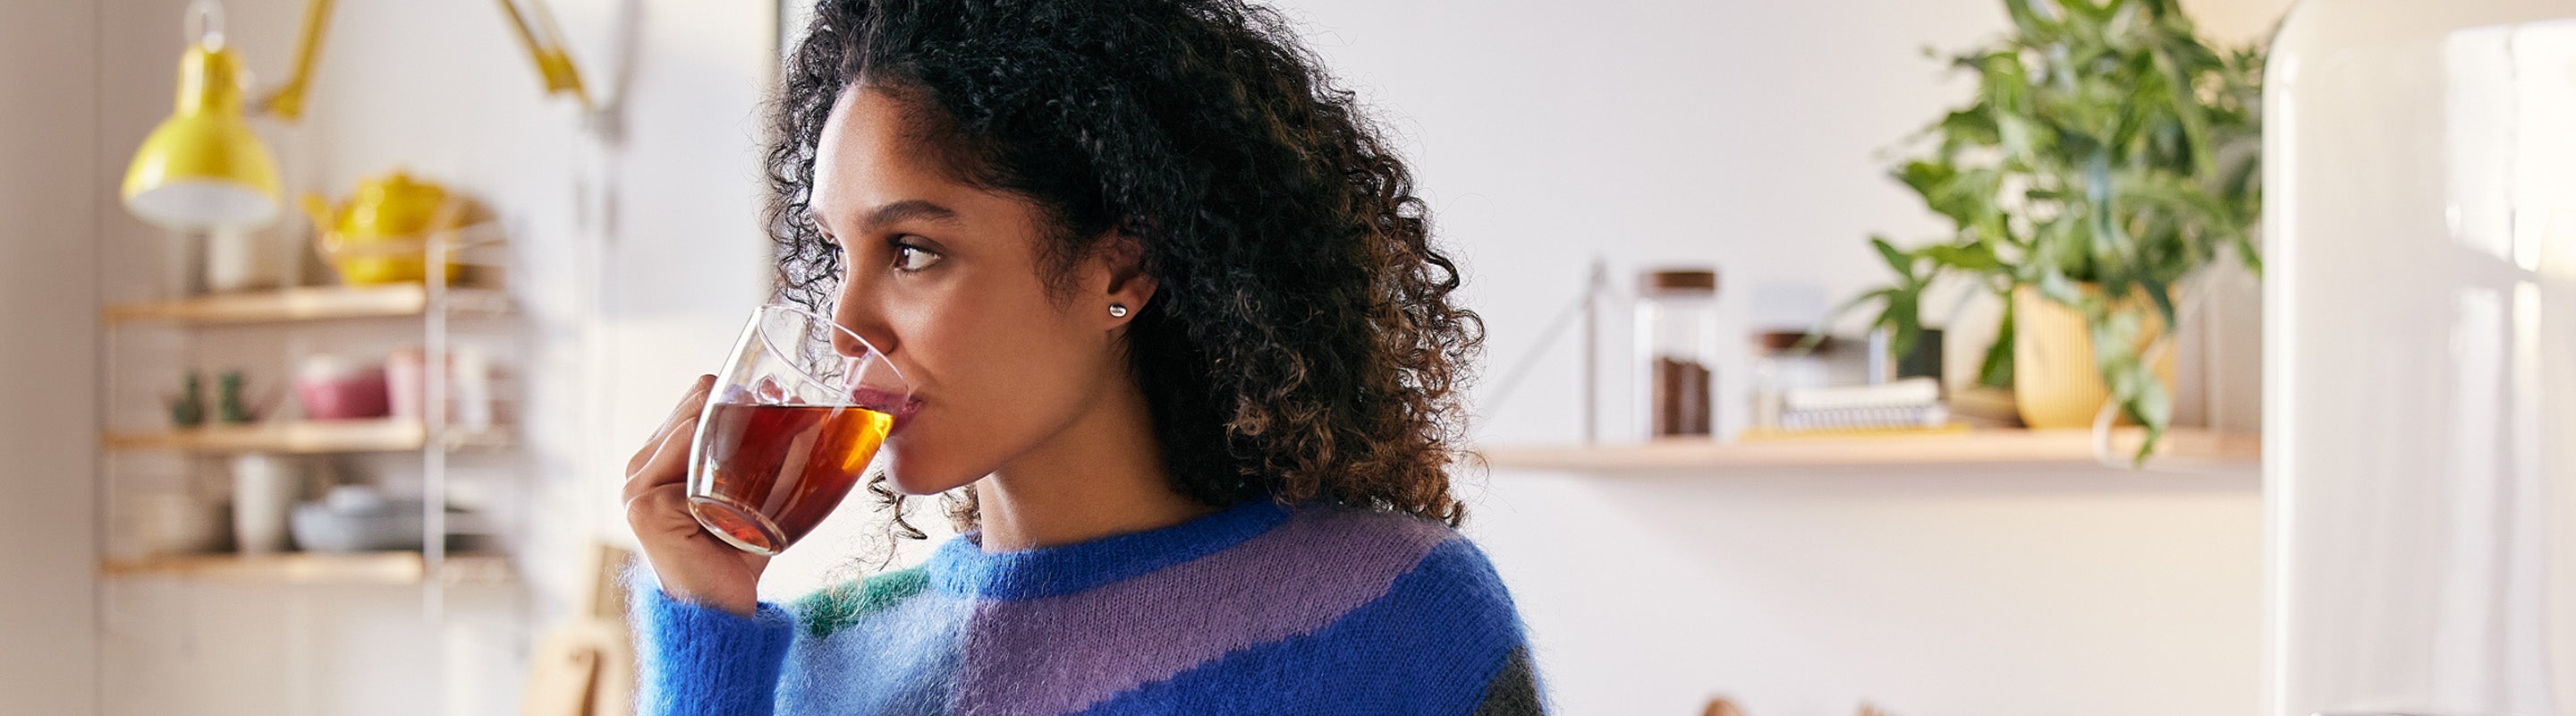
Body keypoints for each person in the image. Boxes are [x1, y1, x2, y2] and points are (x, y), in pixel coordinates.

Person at [620, 0, 1541, 713]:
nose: (847, 320)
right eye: (837, 254)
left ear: (1123, 267)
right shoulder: (823, 662)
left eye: (911, 249)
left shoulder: (1398, 616)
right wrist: (707, 632)